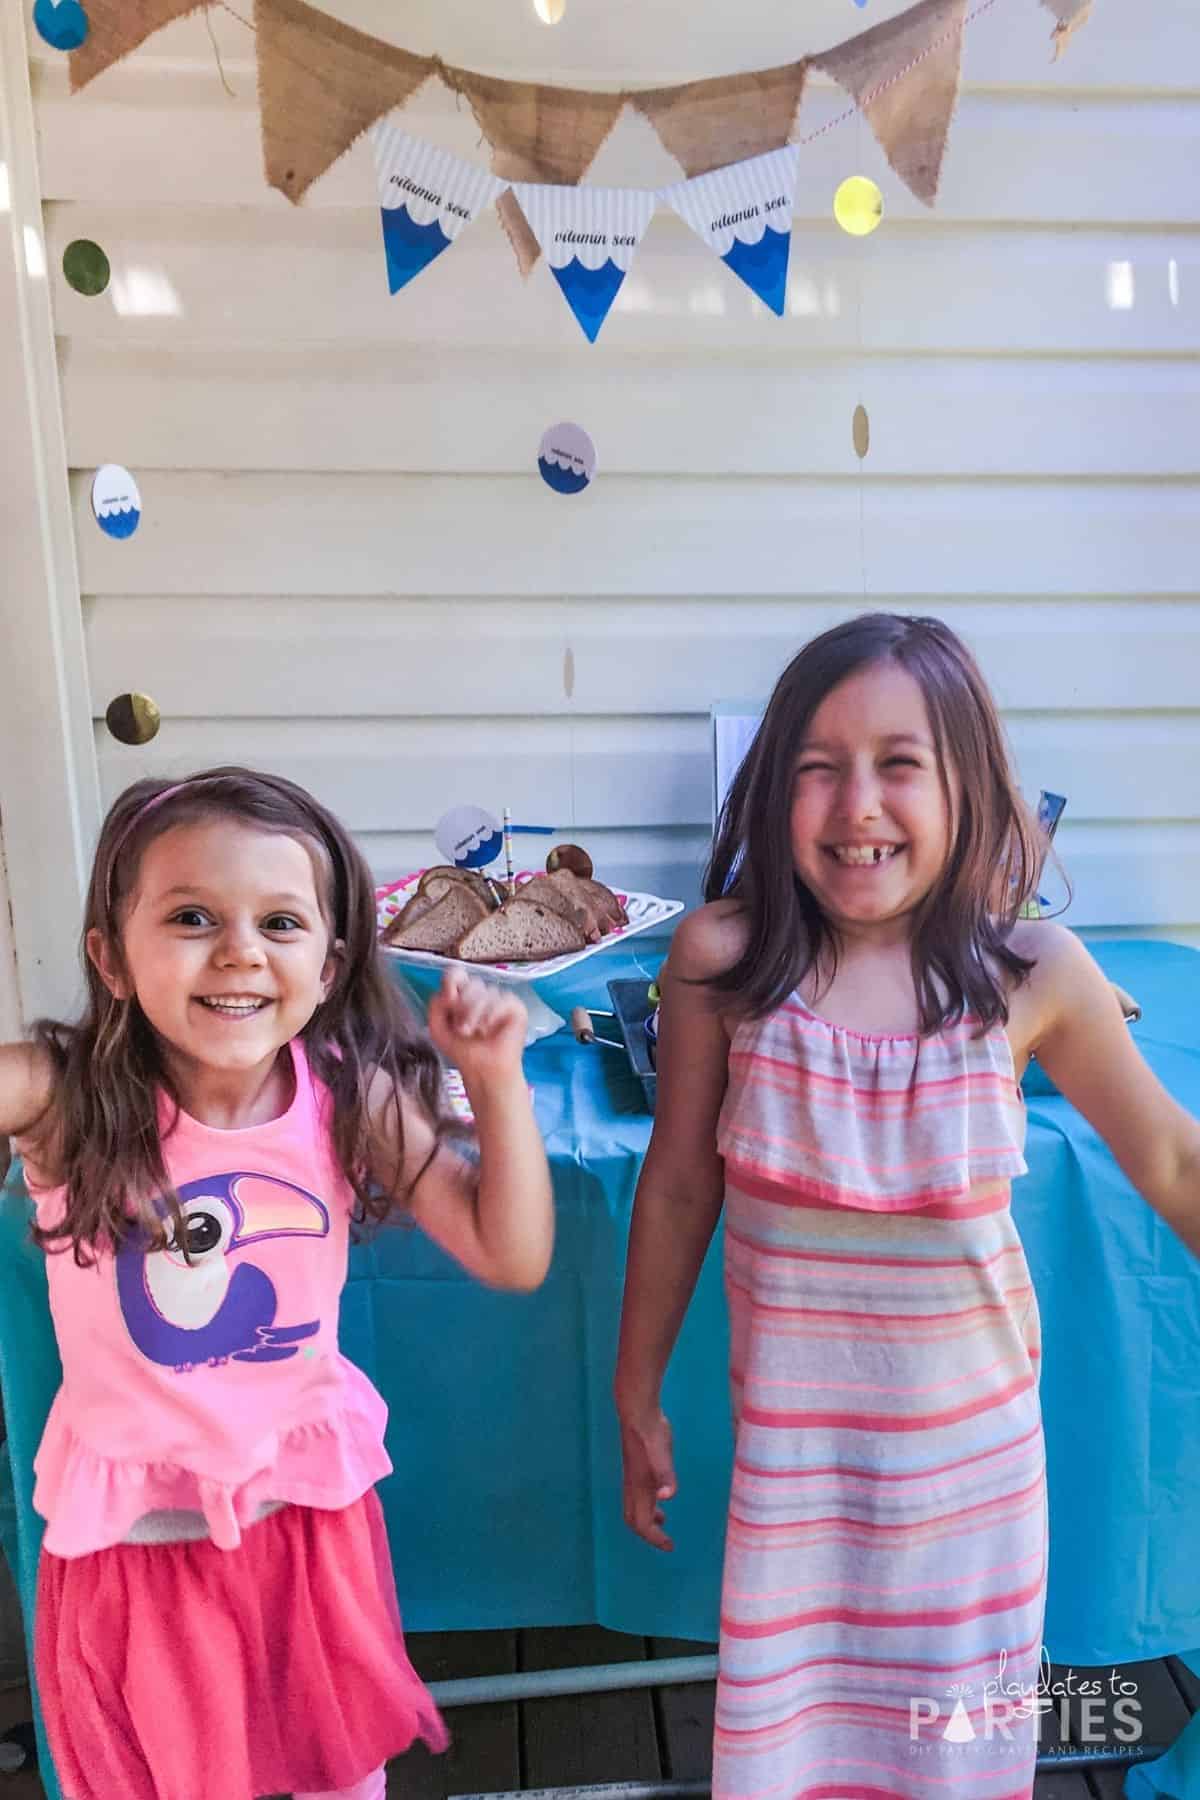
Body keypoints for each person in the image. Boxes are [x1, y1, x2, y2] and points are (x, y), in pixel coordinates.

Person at [615, 614, 1200, 1800]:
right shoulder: (720, 963)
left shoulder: (1034, 976)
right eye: (816, 767)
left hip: (971, 1501)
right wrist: (636, 1391)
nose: (855, 803)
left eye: (898, 763)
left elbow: (1177, 1167)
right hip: (797, 1492)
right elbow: (679, 1183)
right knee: (791, 1761)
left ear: (967, 785)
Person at [0, 767, 553, 1800]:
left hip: (308, 1523)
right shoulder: (66, 1100)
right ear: (111, 959)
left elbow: (509, 1255)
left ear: (331, 960)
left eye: (281, 922)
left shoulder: (347, 1097)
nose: (241, 951)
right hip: (140, 1549)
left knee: (337, 1778)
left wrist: (497, 1084)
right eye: (193, 916)